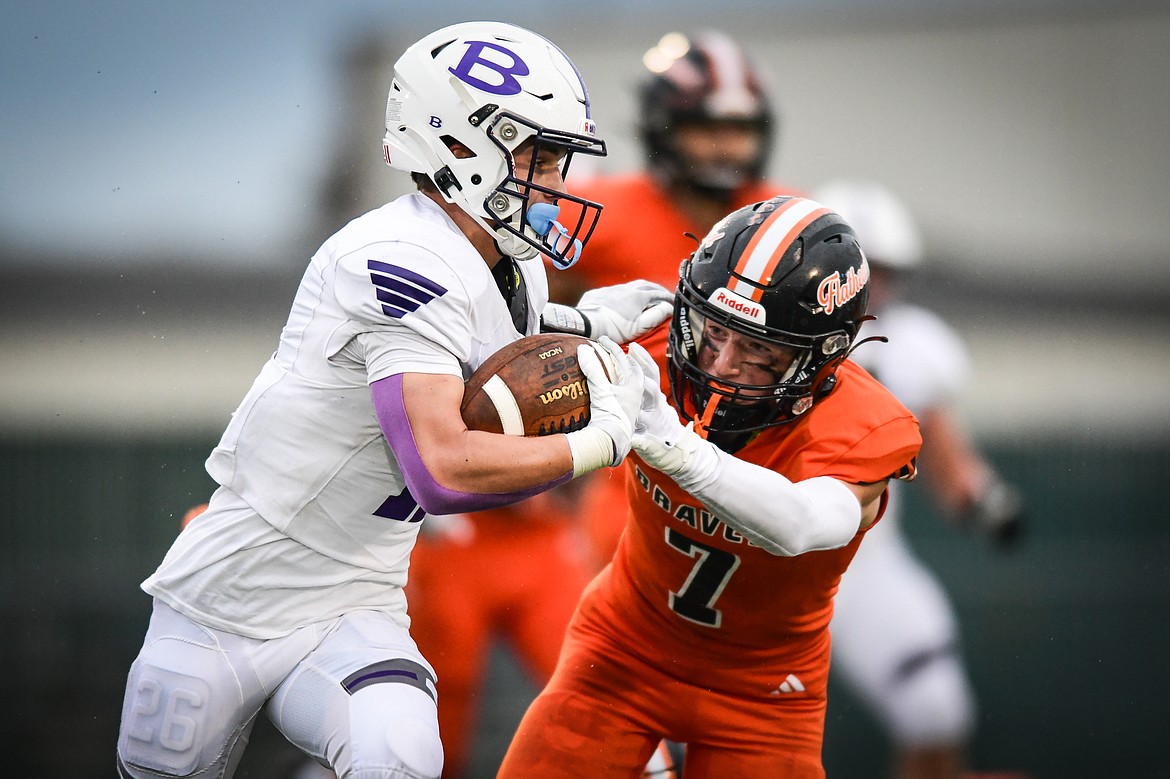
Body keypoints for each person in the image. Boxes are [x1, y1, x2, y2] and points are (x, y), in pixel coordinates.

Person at [114, 21, 674, 779]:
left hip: (356, 599)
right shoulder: (401, 258)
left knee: (399, 757)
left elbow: (485, 343)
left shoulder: (505, 263)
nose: (556, 182)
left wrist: (586, 321)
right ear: (460, 148)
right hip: (228, 603)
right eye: (537, 155)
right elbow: (439, 467)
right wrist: (599, 443)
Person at [497, 195, 923, 778]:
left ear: (820, 359)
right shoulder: (655, 341)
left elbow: (801, 525)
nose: (720, 365)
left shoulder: (865, 426)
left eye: (758, 350)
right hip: (623, 650)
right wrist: (555, 324)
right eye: (714, 331)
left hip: (763, 696)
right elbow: (488, 373)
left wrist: (683, 453)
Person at [814, 179, 1026, 779]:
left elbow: (945, 453)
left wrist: (984, 501)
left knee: (935, 709)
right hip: (761, 546)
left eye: (881, 269)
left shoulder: (909, 345)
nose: (866, 283)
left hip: (862, 557)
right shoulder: (761, 337)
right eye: (854, 266)